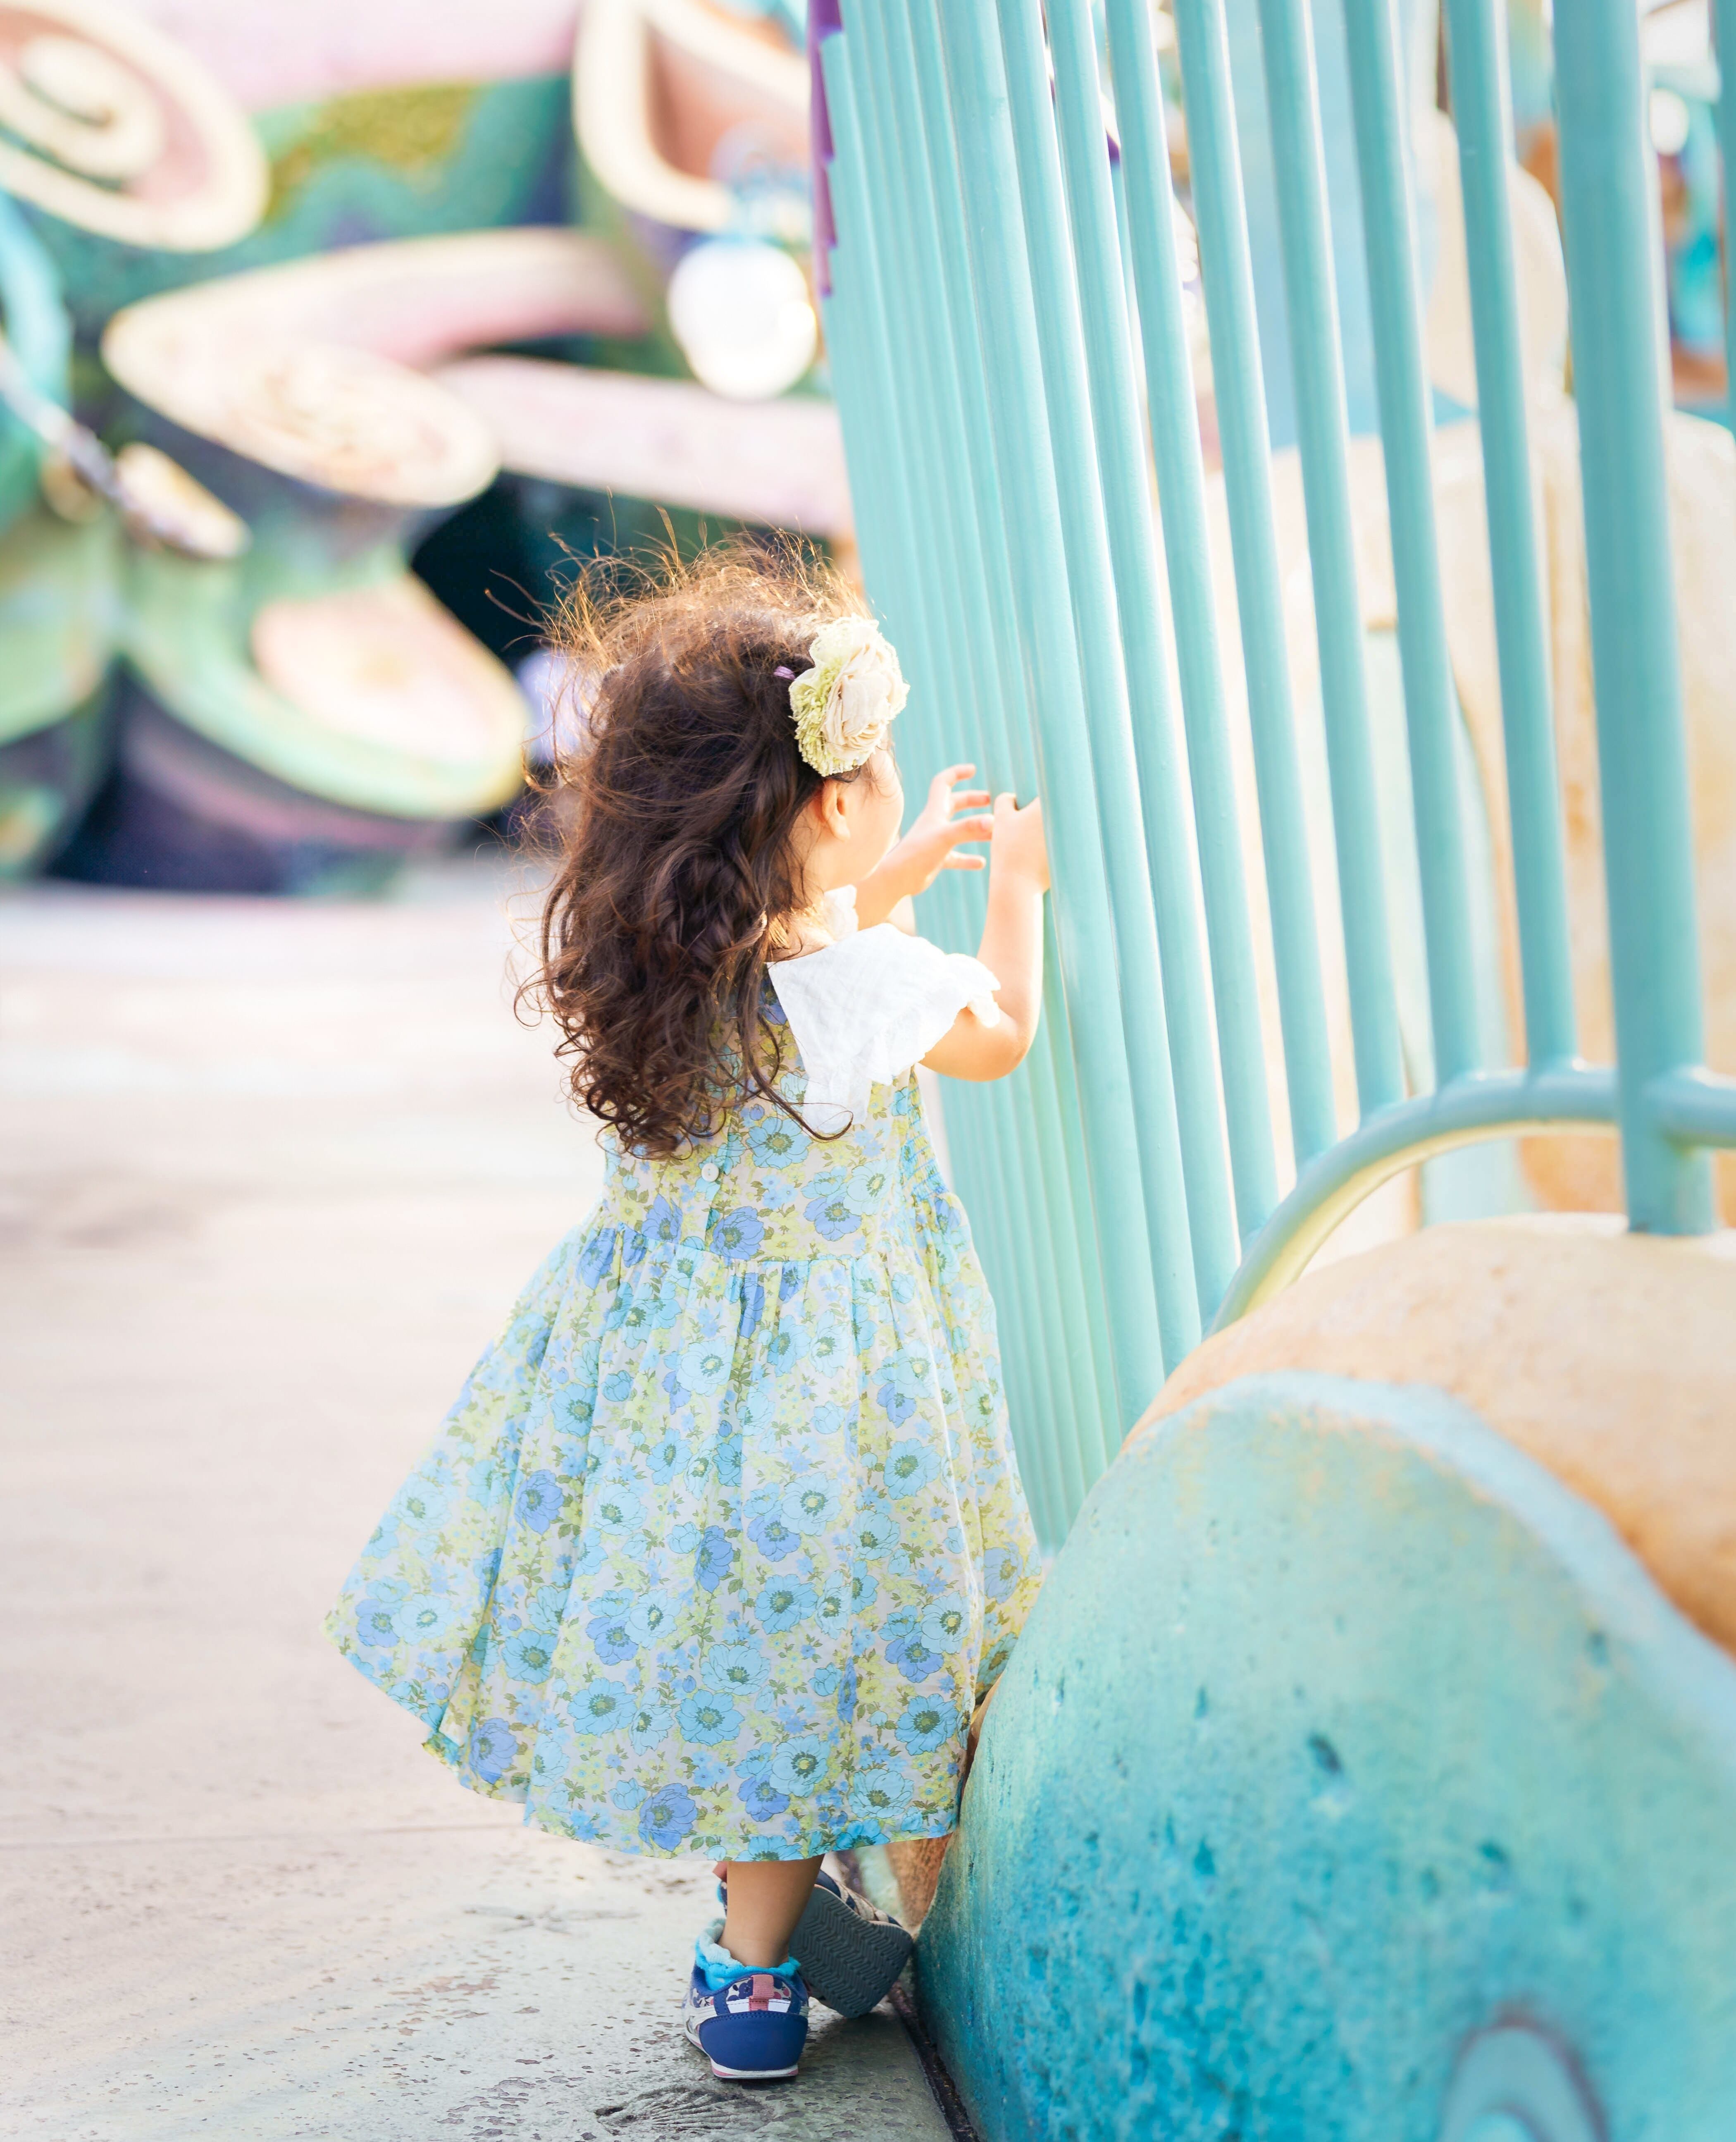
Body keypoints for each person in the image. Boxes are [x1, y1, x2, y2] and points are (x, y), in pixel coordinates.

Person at [326, 547, 1047, 2082]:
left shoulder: (666, 953)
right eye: (879, 779)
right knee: (804, 1665)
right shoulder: (861, 983)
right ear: (830, 806)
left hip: (668, 1384)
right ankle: (756, 1968)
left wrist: (896, 871)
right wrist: (1017, 895)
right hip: (824, 1392)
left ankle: (758, 1940)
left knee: (743, 1646)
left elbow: (804, 955)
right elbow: (1000, 1037)